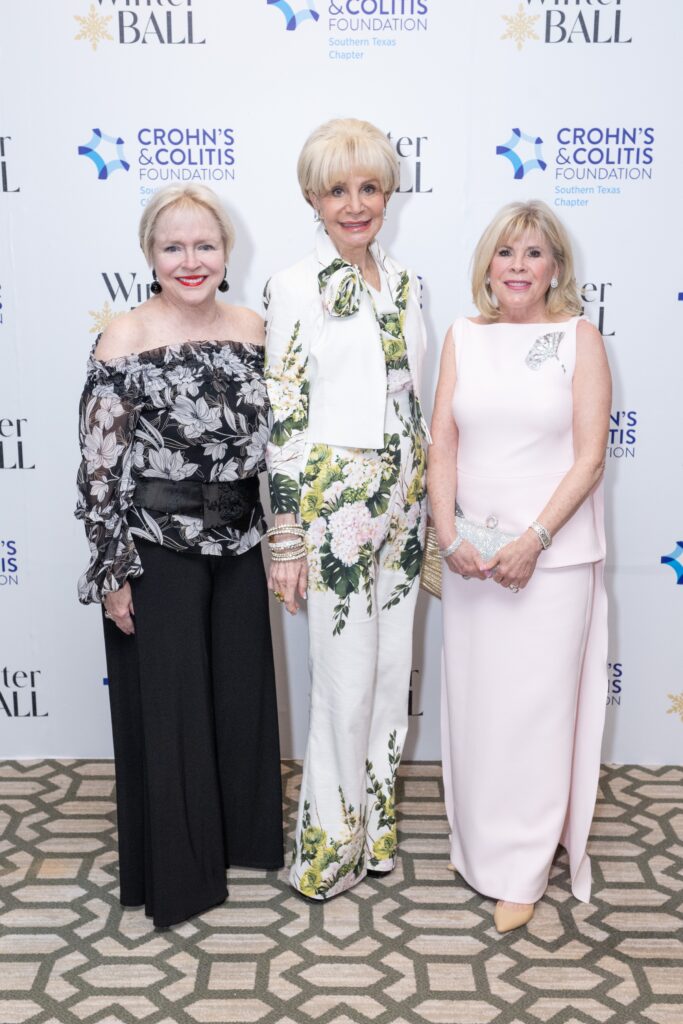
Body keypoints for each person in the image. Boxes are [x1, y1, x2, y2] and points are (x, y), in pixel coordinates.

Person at [75, 184, 283, 928]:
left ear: (226, 253)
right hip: (156, 546)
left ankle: (244, 842)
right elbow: (100, 468)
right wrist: (111, 572)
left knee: (239, 697)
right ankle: (180, 879)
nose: (190, 261)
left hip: (240, 541)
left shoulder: (255, 327)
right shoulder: (123, 337)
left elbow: (278, 447)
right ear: (148, 256)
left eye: (204, 245)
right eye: (173, 247)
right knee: (170, 713)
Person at [428, 200, 610, 933]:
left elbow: (589, 458)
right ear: (486, 266)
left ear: (555, 268)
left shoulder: (579, 337)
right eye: (504, 253)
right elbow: (441, 442)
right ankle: (476, 845)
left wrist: (534, 539)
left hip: (551, 560)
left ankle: (524, 868)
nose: (517, 267)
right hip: (472, 559)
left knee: (534, 716)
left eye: (532, 254)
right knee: (477, 709)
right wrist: (446, 536)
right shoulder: (460, 338)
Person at [264, 118, 430, 899]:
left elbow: (416, 401)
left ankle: (376, 828)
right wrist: (288, 534)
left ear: (389, 194)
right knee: (343, 679)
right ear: (312, 197)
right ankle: (328, 850)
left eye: (369, 188)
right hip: (333, 505)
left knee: (392, 670)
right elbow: (284, 413)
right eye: (338, 190)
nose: (356, 205)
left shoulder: (403, 280)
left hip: (403, 503)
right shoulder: (294, 285)